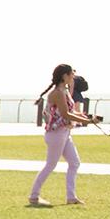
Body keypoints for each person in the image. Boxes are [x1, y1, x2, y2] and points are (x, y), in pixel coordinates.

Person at [30, 62, 84, 206]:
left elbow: (71, 112)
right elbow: (66, 114)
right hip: (56, 134)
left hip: (64, 132)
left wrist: (88, 118)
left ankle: (71, 197)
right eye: (71, 74)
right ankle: (34, 196)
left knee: (74, 162)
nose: (73, 76)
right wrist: (88, 121)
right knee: (51, 165)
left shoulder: (64, 92)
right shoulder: (57, 94)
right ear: (64, 76)